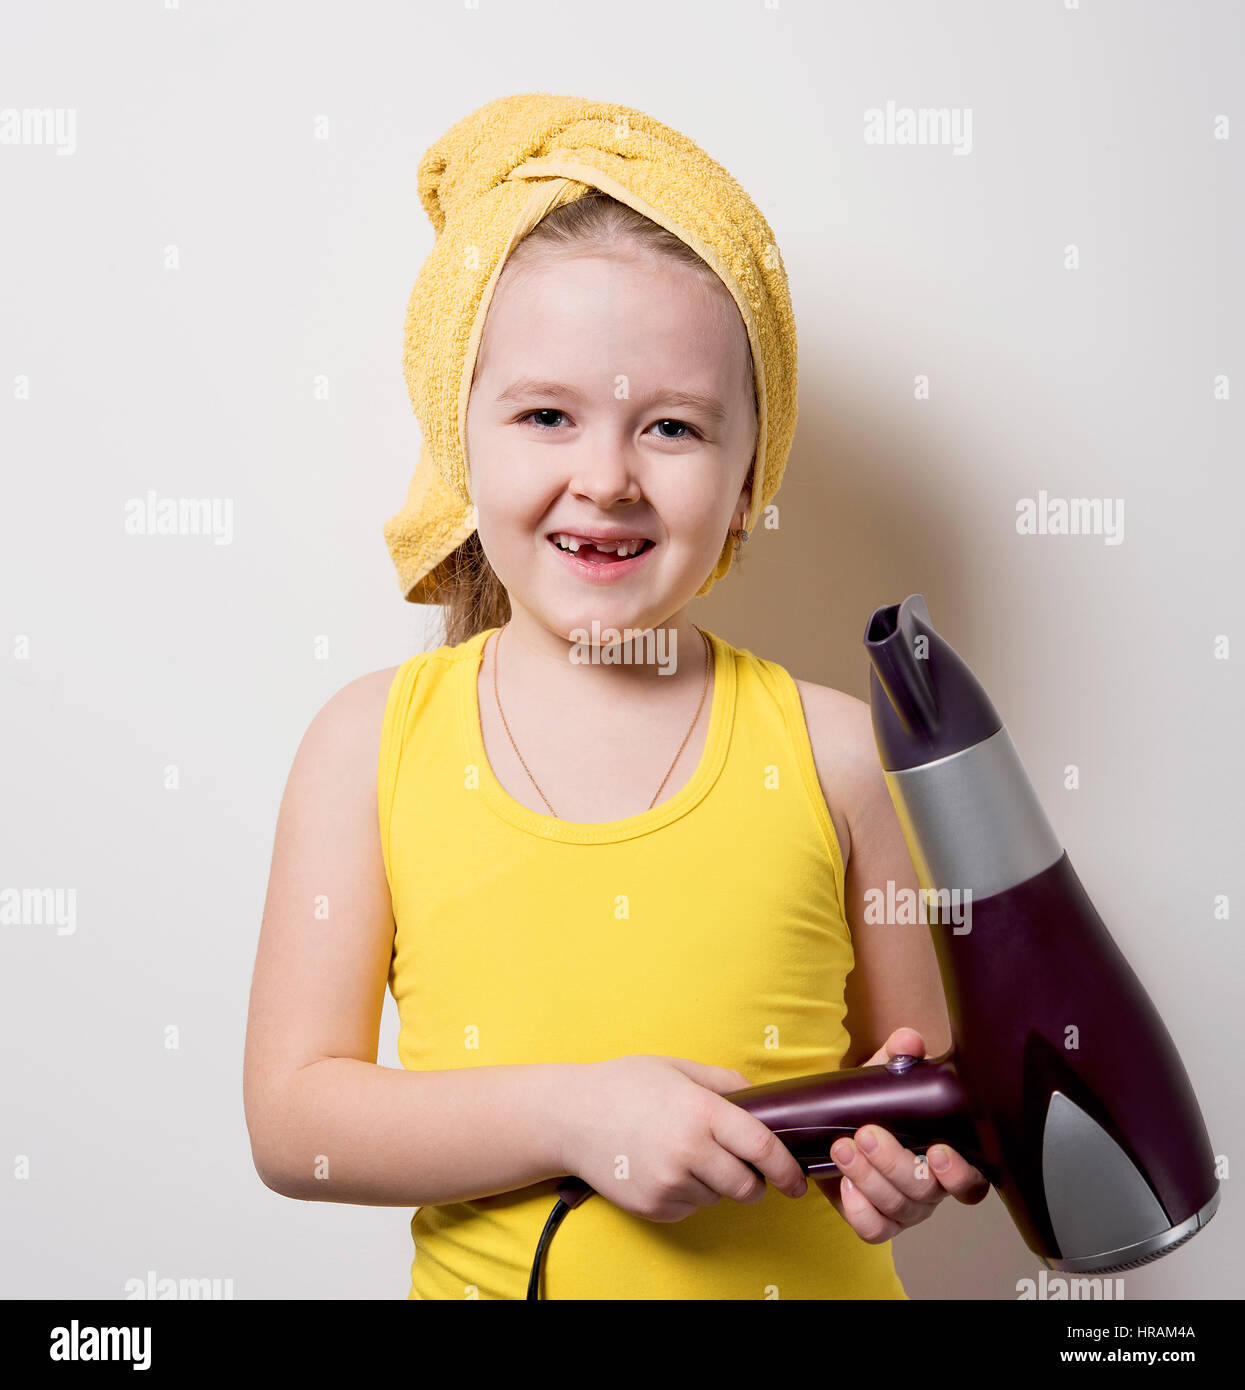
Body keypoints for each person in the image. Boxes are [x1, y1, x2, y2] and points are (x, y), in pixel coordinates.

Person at [243, 95, 989, 1300]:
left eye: (673, 428)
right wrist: (578, 1114)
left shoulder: (845, 755)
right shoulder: (368, 746)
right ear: (461, 443)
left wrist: (900, 1163)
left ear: (750, 475)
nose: (607, 479)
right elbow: (293, 1119)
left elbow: (919, 1092)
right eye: (546, 415)